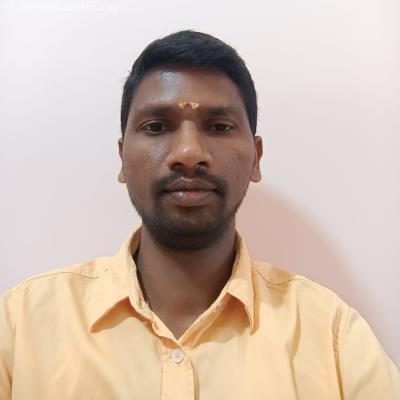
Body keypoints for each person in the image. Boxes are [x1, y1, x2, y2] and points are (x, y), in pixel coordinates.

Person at [0, 30, 399, 400]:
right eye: (157, 126)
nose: (189, 154)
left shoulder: (332, 338)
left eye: (219, 126)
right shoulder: (21, 328)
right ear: (121, 157)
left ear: (256, 158)